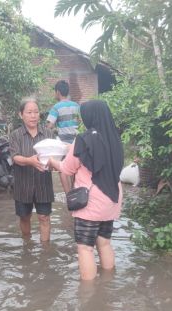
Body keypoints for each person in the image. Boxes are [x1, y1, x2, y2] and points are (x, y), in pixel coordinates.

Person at [48, 100, 124, 280]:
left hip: (91, 202)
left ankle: (88, 296)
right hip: (112, 199)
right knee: (104, 244)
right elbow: (96, 151)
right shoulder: (114, 138)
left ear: (90, 116)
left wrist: (52, 161)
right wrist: (71, 147)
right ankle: (107, 284)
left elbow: (67, 168)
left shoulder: (84, 139)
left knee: (85, 248)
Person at [9, 98, 54, 242]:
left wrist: (54, 163)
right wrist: (30, 161)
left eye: (36, 112)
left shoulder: (48, 134)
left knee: (44, 217)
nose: (33, 116)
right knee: (24, 217)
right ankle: (27, 244)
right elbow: (14, 157)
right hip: (23, 184)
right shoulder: (15, 135)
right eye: (29, 112)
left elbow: (55, 157)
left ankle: (45, 251)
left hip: (43, 183)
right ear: (21, 115)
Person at [46, 80, 80, 193]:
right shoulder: (76, 106)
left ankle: (68, 195)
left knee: (63, 168)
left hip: (63, 143)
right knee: (75, 168)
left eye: (55, 92)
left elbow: (49, 125)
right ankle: (76, 192)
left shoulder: (56, 107)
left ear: (58, 92)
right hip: (77, 142)